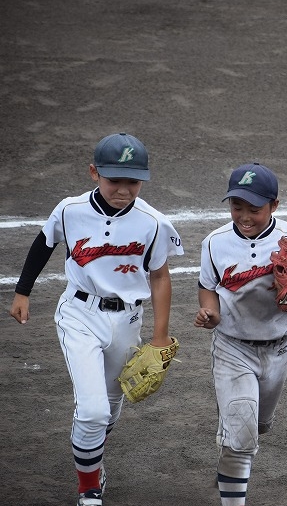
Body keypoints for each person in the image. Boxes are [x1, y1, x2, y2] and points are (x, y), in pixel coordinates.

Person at [7, 133, 184, 506]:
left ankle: (92, 458)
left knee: (111, 403)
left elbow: (159, 276)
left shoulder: (152, 222)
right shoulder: (70, 210)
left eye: (133, 181)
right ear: (94, 173)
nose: (123, 190)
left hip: (128, 321)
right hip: (79, 315)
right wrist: (23, 292)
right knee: (92, 411)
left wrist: (160, 336)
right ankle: (88, 489)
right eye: (114, 180)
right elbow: (44, 243)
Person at [194, 163, 287, 505]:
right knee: (241, 436)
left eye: (254, 209)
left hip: (278, 350)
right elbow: (207, 286)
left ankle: (230, 446)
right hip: (232, 347)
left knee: (255, 427)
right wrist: (210, 312)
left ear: (274, 205)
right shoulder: (215, 242)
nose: (244, 216)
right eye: (236, 206)